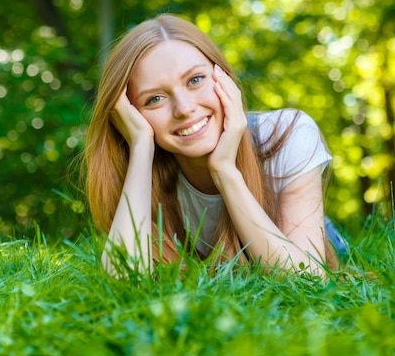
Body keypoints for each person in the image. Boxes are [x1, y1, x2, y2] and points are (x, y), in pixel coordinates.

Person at [85, 14, 339, 276]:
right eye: (155, 99)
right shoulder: (136, 165)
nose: (184, 109)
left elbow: (309, 279)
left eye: (195, 80)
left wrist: (224, 171)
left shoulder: (286, 134)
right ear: (130, 114)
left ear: (224, 78)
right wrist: (140, 147)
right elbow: (121, 282)